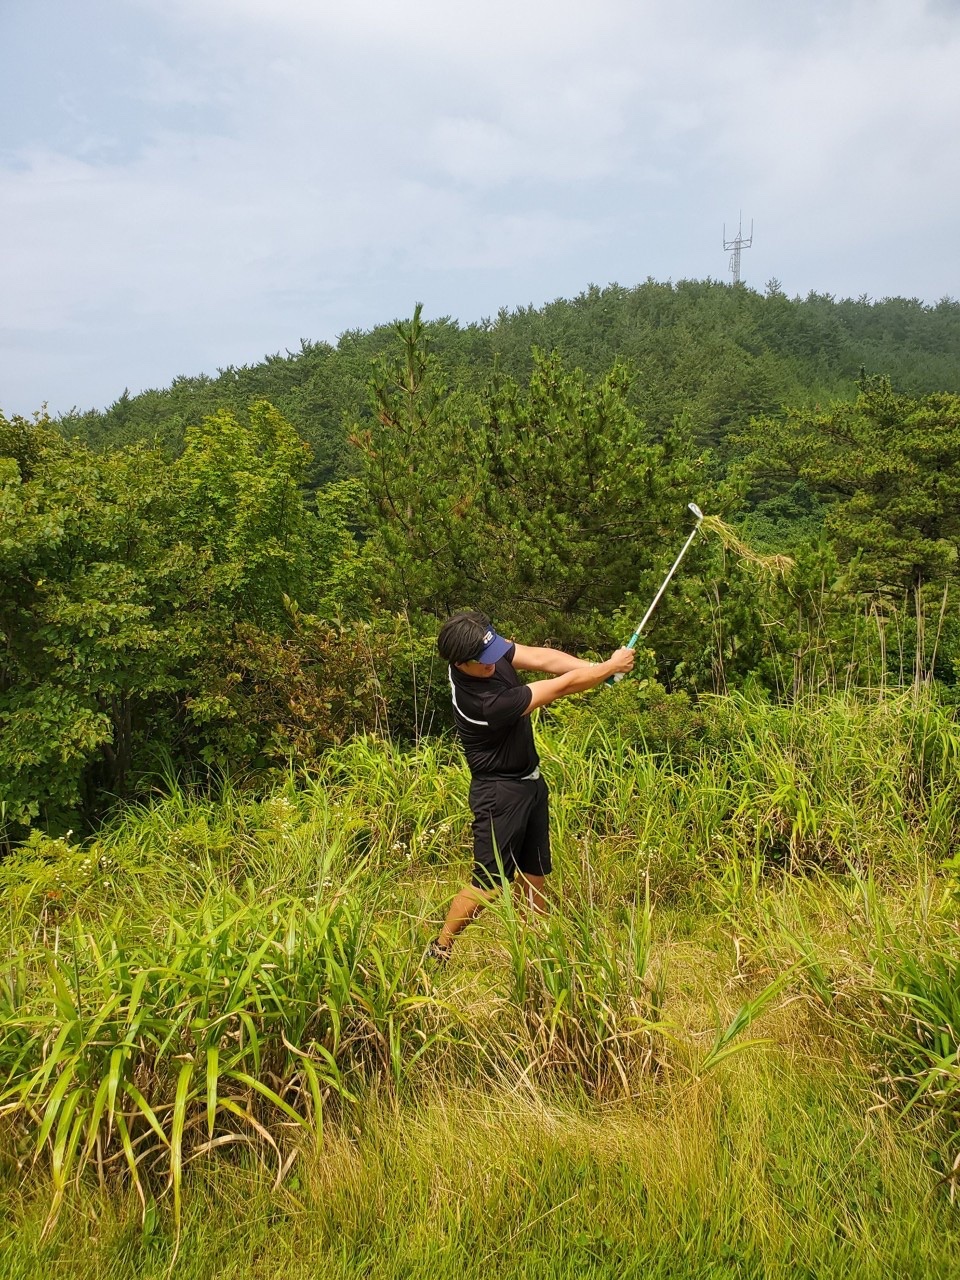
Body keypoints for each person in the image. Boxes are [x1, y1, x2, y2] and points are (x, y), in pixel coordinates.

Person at [428, 610, 635, 962]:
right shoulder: (484, 704)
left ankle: (536, 951)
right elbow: (560, 686)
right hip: (499, 793)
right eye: (485, 661)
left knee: (534, 873)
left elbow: (541, 657)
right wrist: (605, 670)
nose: (495, 662)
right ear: (461, 663)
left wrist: (597, 666)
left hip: (530, 782)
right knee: (490, 882)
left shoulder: (479, 649)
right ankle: (441, 946)